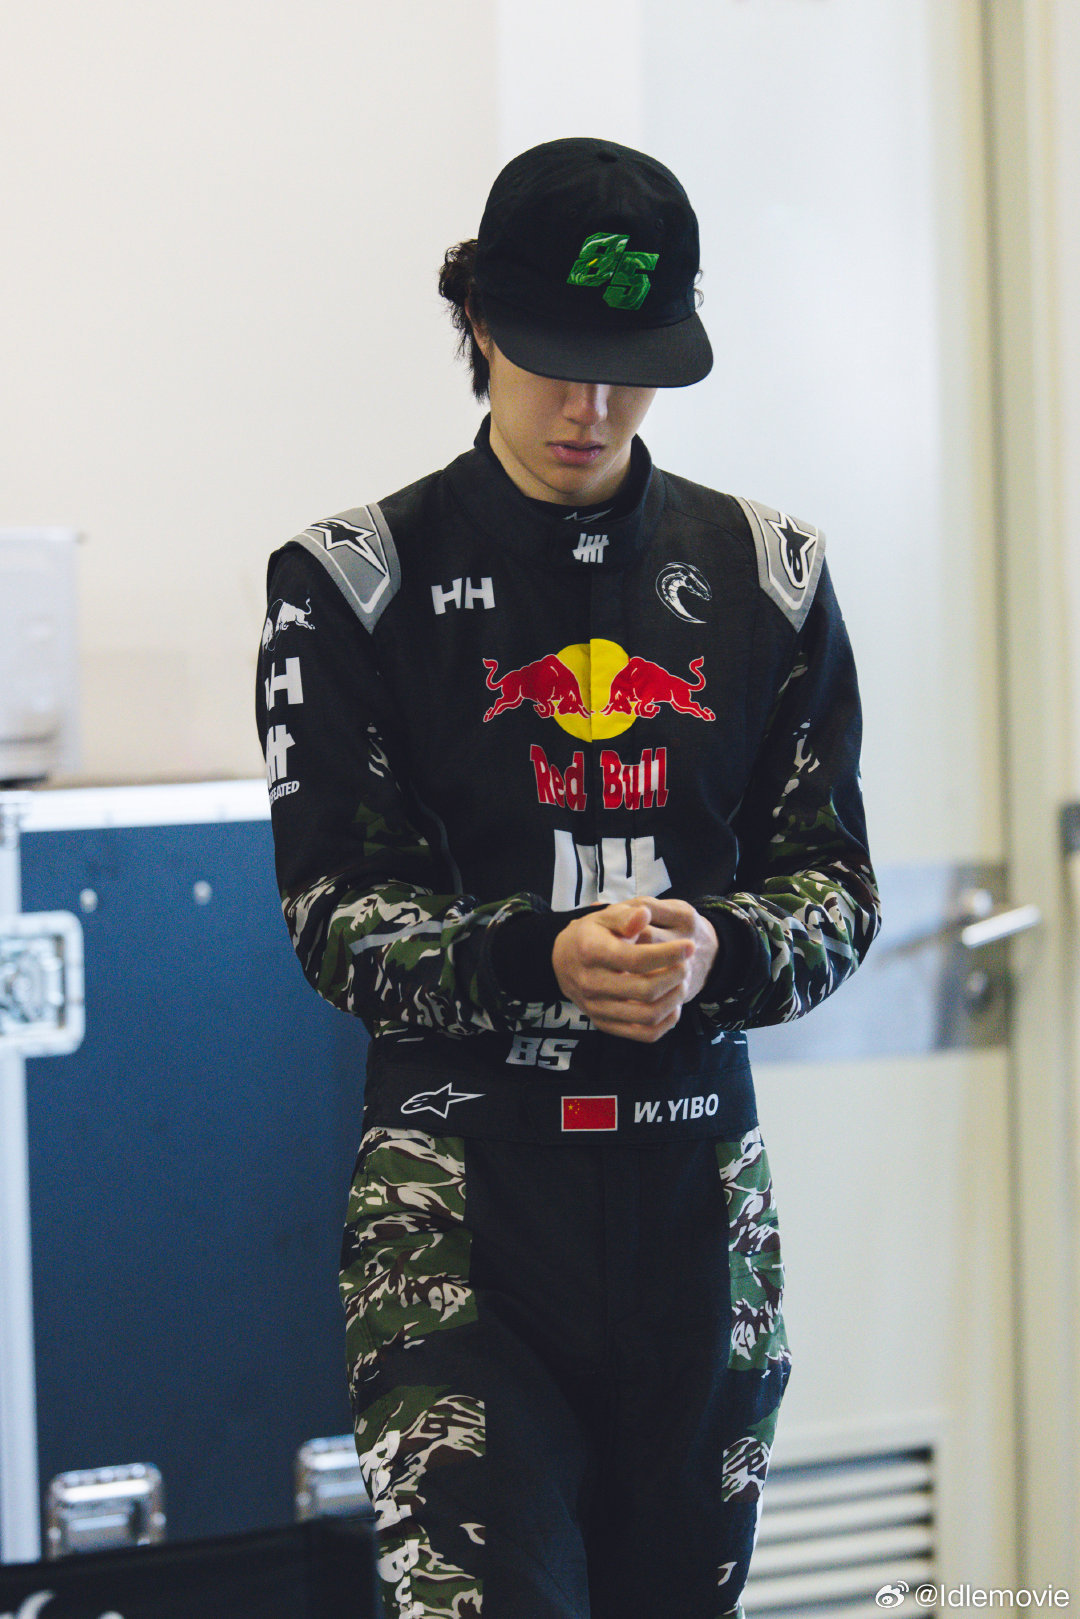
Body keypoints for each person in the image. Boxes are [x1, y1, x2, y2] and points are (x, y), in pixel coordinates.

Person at [256, 136, 880, 1619]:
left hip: (696, 1198)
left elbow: (838, 885)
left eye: (629, 370)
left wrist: (716, 950)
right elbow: (334, 914)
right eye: (553, 364)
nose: (590, 410)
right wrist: (540, 957)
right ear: (477, 323)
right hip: (459, 1207)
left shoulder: (773, 576)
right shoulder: (351, 582)